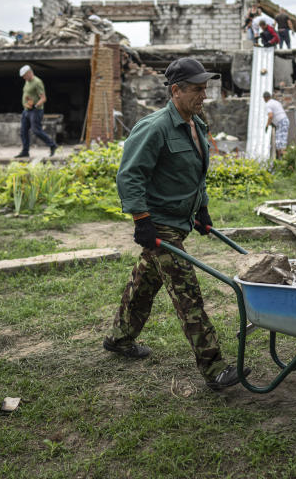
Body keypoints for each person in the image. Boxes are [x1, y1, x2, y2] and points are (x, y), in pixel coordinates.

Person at [105, 57, 249, 391]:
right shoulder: (155, 127)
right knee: (187, 292)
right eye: (198, 90)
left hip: (180, 221)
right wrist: (142, 221)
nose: (204, 96)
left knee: (144, 284)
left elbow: (196, 177)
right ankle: (214, 368)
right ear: (176, 91)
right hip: (159, 225)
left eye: (205, 89)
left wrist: (203, 210)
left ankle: (119, 339)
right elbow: (130, 175)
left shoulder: (197, 125)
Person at [14, 65, 58, 159]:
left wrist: (34, 105)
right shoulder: (27, 81)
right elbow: (29, 94)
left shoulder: (37, 82)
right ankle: (25, 151)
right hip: (26, 110)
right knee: (23, 131)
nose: (23, 78)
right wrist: (28, 101)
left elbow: (43, 98)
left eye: (24, 76)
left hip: (35, 110)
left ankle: (52, 145)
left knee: (36, 130)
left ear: (30, 73)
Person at [263, 92, 289, 158]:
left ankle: (283, 158)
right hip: (284, 120)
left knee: (280, 142)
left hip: (281, 122)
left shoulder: (268, 104)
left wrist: (267, 125)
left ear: (265, 98)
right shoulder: (276, 102)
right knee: (281, 141)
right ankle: (281, 158)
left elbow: (271, 116)